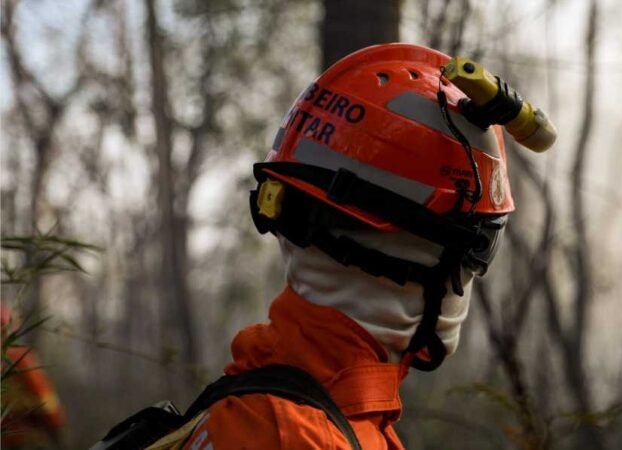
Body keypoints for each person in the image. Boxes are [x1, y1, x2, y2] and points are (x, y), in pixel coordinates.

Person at [157, 42, 554, 450]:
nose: (470, 277)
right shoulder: (295, 436)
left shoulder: (286, 406)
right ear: (419, 249)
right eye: (480, 247)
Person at [1, 305, 66, 450]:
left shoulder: (17, 357)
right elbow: (43, 395)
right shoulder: (19, 357)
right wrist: (56, 425)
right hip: (26, 436)